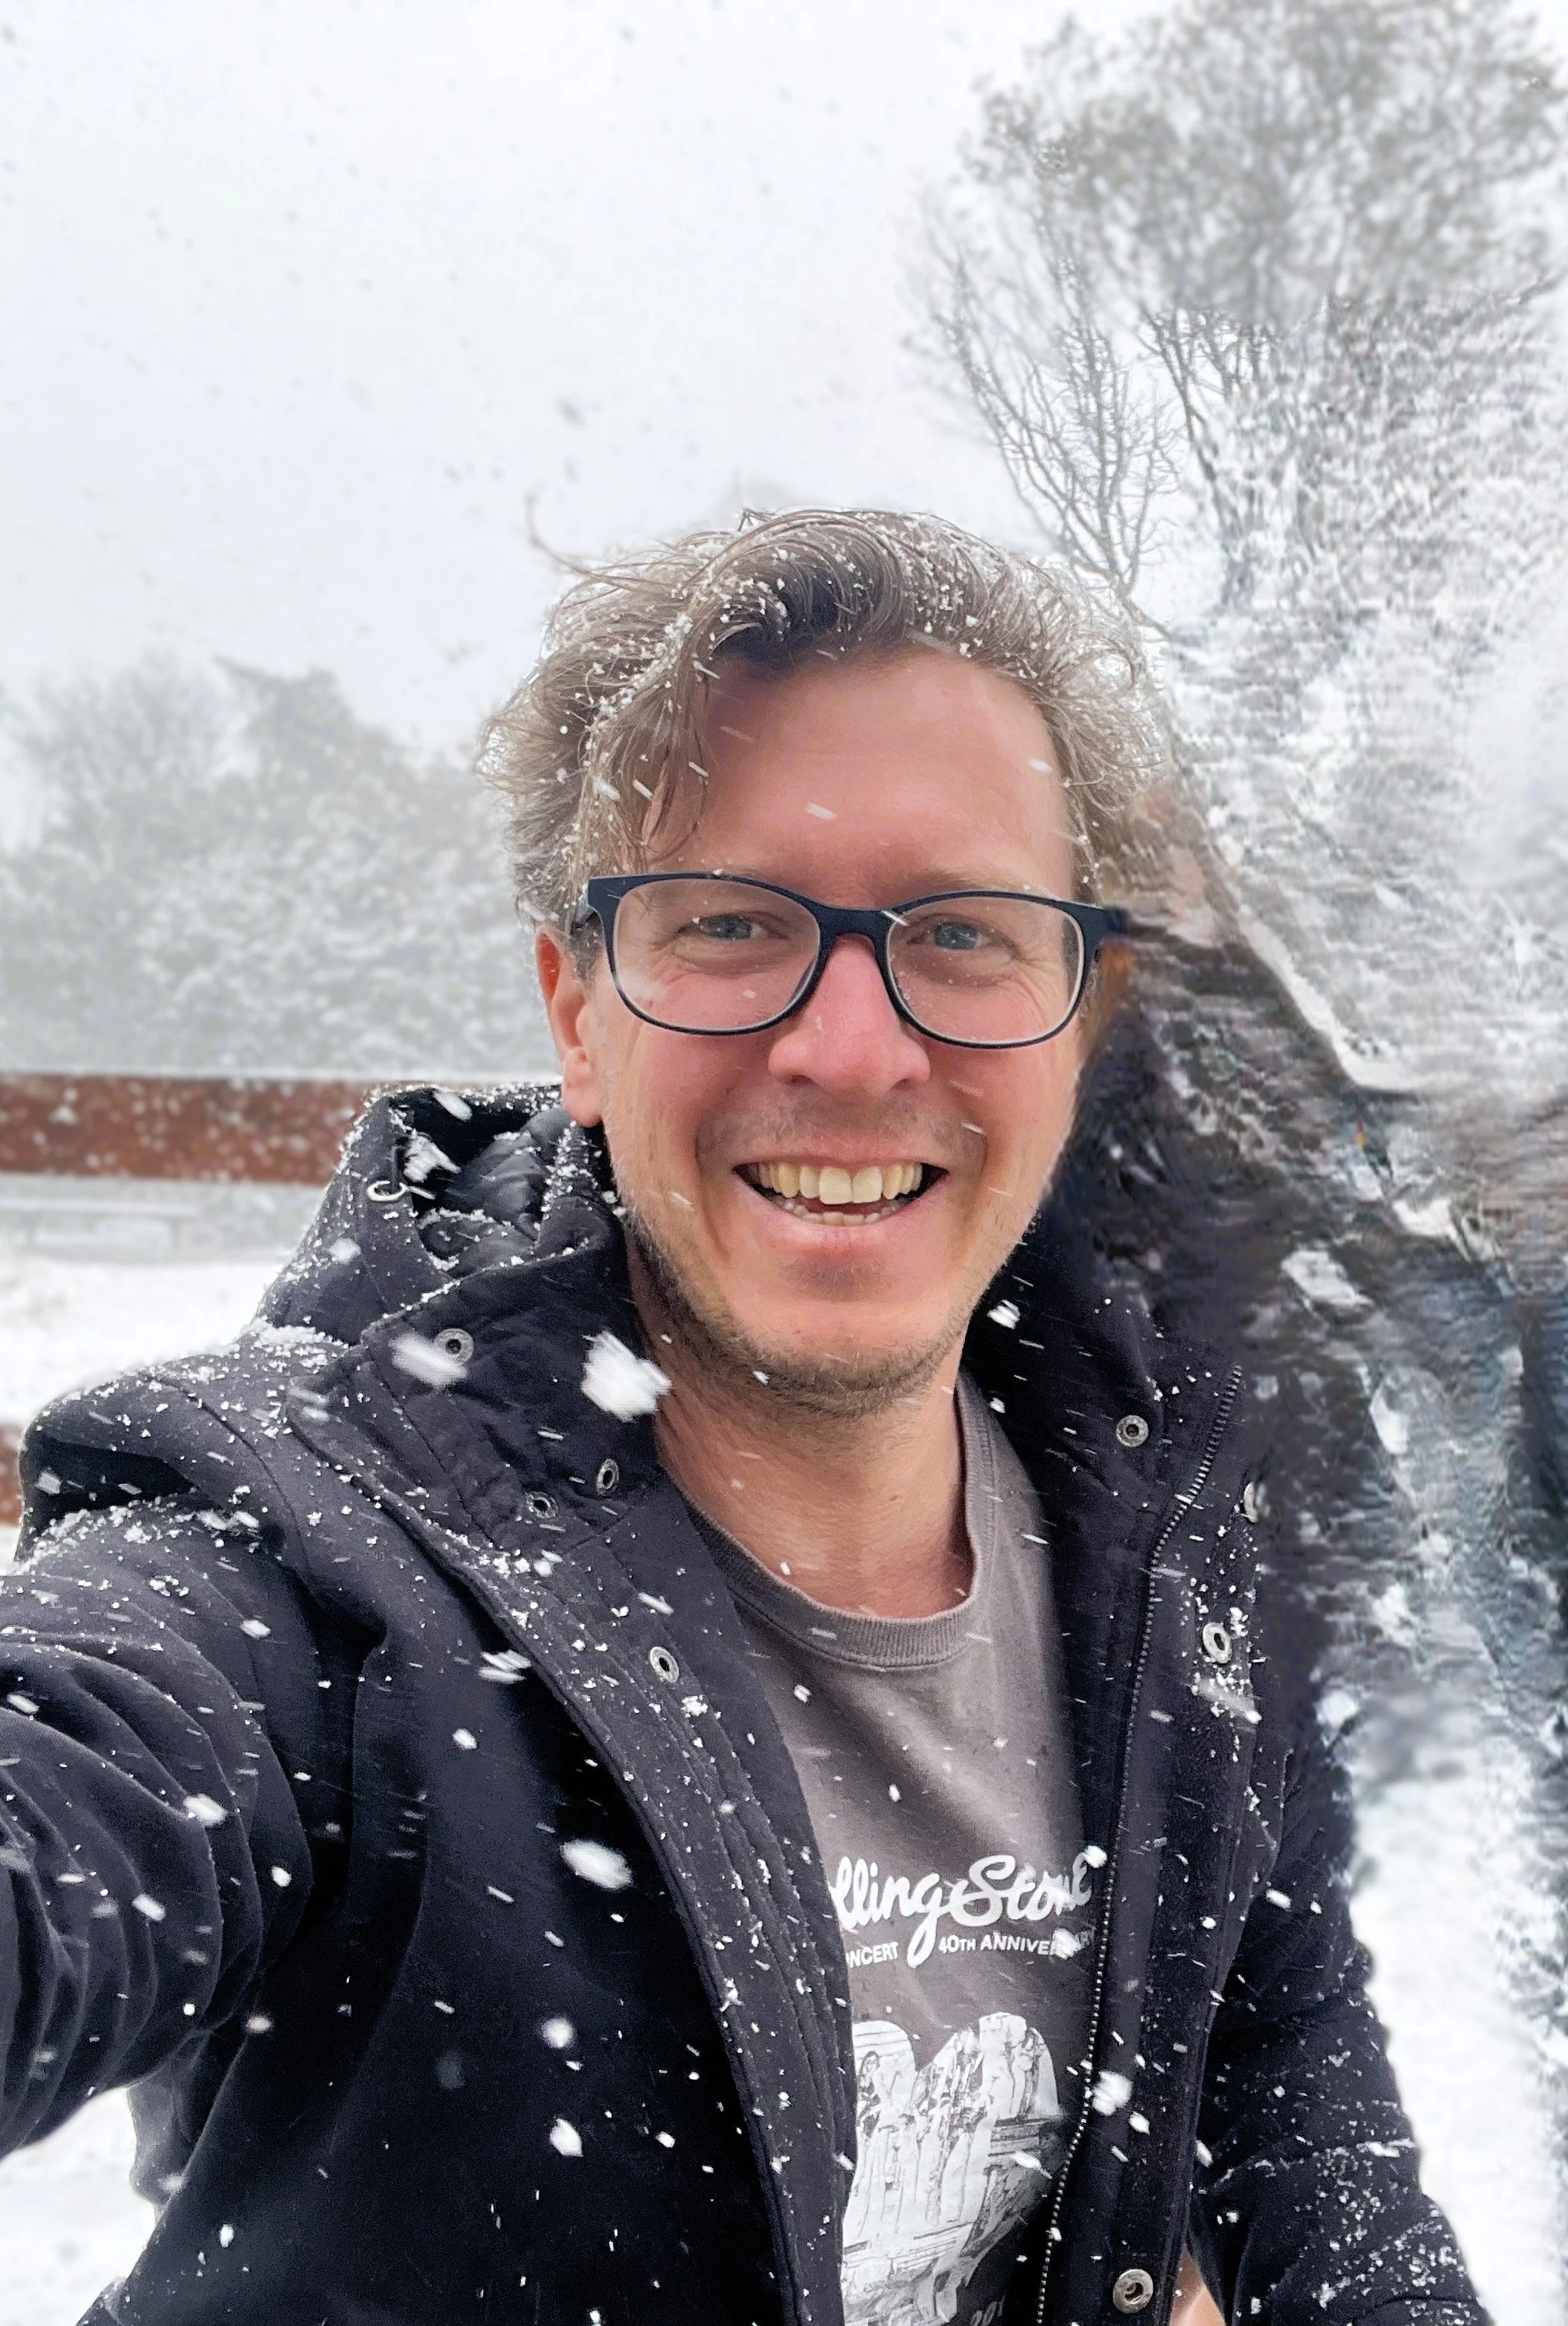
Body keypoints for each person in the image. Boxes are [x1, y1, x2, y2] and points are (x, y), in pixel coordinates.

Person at [4, 511, 1481, 2325]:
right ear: (575, 1012)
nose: (850, 1049)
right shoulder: (301, 1557)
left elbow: (1287, 2091)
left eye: (963, 932)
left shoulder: (1180, 1516)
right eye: (727, 924)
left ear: (1077, 1019)